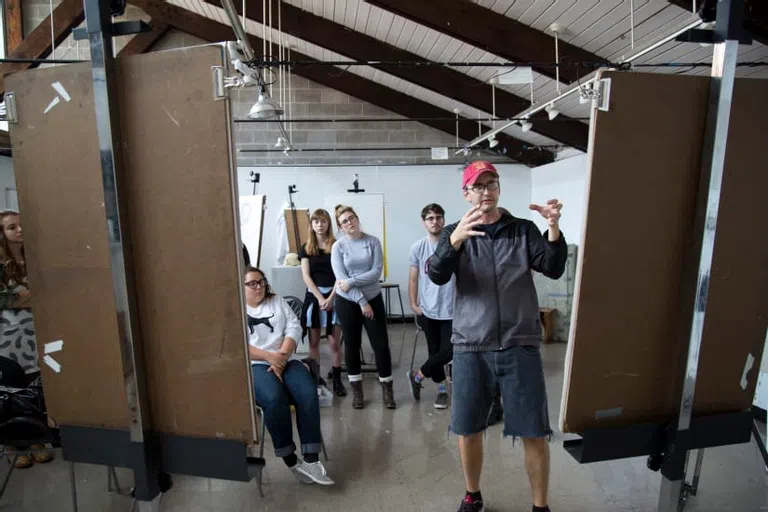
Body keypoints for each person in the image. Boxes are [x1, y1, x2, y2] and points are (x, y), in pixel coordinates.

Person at [428, 161, 566, 512]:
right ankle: (472, 496)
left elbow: (552, 266)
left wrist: (552, 228)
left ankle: (540, 506)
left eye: (491, 183)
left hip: (519, 341)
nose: (486, 191)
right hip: (471, 345)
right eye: (478, 186)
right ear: (466, 193)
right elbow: (437, 274)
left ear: (499, 189)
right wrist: (453, 242)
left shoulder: (522, 229)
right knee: (468, 428)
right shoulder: (455, 233)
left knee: (534, 431)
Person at [244, 267, 334, 485]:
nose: (259, 286)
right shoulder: (236, 309)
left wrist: (282, 357)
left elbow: (294, 328)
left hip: (287, 359)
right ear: (241, 287)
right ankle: (291, 459)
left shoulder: (277, 301)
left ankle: (311, 461)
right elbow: (239, 345)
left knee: (307, 393)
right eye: (253, 283)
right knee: (274, 399)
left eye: (262, 282)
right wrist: (270, 358)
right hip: (256, 364)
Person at [0, 210, 55, 468]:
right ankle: (13, 445)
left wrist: (22, 298)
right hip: (7, 338)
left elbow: (49, 291)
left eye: (22, 225)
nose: (20, 230)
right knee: (10, 389)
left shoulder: (35, 257)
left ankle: (37, 440)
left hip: (36, 333)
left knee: (36, 387)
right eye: (12, 227)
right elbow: (8, 299)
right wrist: (26, 298)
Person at [330, 205, 395, 410]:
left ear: (357, 219)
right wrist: (361, 300)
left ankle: (387, 388)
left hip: (373, 297)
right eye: (344, 221)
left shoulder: (372, 241)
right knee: (351, 344)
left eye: (351, 218)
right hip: (348, 300)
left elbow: (376, 273)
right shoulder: (338, 247)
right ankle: (357, 391)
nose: (349, 223)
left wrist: (352, 281)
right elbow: (341, 281)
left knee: (381, 345)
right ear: (340, 227)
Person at [407, 203, 454, 409]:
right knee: (434, 351)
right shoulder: (418, 247)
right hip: (428, 309)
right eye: (430, 218)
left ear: (443, 220)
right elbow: (413, 278)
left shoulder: (453, 243)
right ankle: (442, 390)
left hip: (452, 308)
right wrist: (413, 303)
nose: (435, 222)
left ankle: (418, 376)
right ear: (423, 222)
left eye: (438, 217)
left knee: (448, 352)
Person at [298, 209, 346, 397]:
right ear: (312, 225)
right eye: (316, 221)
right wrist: (319, 298)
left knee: (334, 343)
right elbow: (305, 275)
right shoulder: (306, 248)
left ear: (329, 224)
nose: (320, 225)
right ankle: (315, 377)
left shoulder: (337, 245)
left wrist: (331, 297)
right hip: (314, 298)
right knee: (314, 341)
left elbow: (341, 274)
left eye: (323, 221)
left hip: (335, 295)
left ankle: (337, 379)